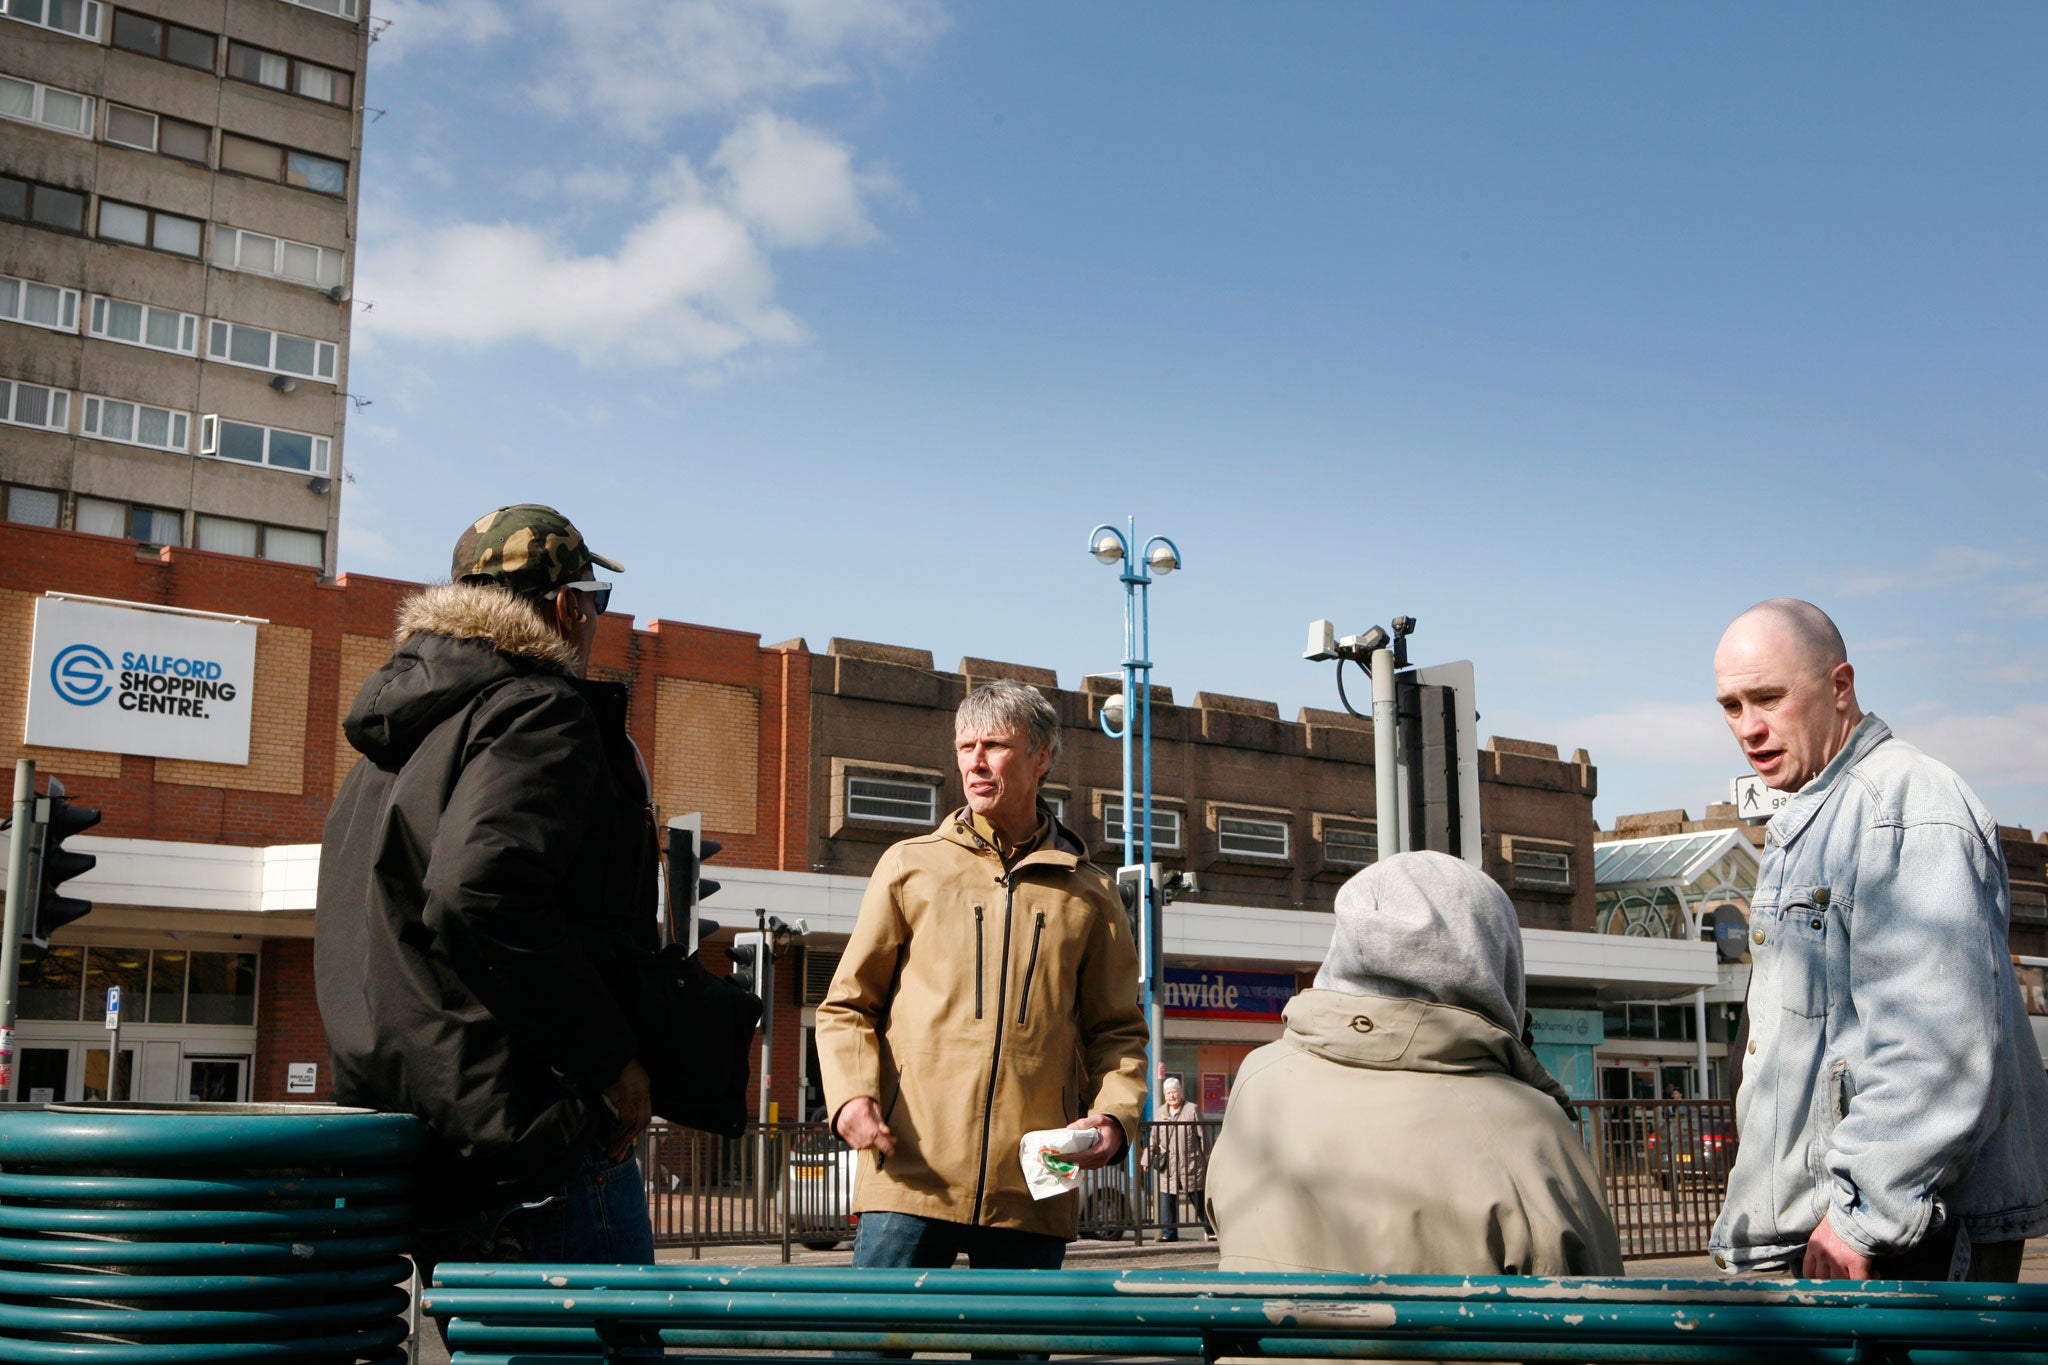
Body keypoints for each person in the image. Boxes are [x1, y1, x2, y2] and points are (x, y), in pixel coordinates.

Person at [316, 504, 657, 1273]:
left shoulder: (390, 744)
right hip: (533, 1143)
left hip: (416, 1136)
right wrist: (608, 1060)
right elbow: (482, 892)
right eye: (595, 601)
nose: (595, 620)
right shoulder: (539, 710)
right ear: (569, 605)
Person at [1708, 598, 2048, 1281]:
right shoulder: (1819, 814)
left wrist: (1863, 1214)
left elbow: (1939, 1043)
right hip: (1842, 1230)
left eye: (1768, 698)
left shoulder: (1905, 808)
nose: (1750, 726)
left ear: (1840, 687)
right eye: (1732, 705)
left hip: (1897, 1241)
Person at [815, 679, 1148, 1270]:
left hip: (1037, 1178)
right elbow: (847, 1007)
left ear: (1042, 757)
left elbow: (1118, 1032)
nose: (975, 761)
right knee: (870, 1349)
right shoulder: (908, 867)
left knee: (1014, 1357)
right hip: (910, 1172)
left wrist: (1115, 1118)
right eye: (965, 746)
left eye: (994, 745)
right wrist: (851, 1099)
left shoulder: (1091, 893)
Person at [1207, 852, 1623, 1276]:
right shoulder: (1531, 1127)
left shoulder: (1257, 1079)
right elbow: (1595, 1313)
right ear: (1499, 960)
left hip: (1259, 1341)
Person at [1141, 1076, 1209, 1241]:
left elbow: (1202, 1137)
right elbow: (1154, 1139)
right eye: (1168, 1092)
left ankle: (1211, 1229)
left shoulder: (1192, 1109)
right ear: (1165, 1094)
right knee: (1167, 1199)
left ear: (1181, 1093)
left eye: (1174, 1092)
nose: (1171, 1096)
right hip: (1169, 1165)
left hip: (1190, 1162)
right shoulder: (1160, 1112)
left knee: (1197, 1198)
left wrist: (1208, 1159)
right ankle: (1169, 1234)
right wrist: (1146, 1160)